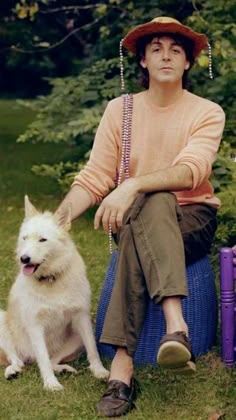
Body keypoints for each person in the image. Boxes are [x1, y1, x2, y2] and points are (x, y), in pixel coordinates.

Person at [58, 16, 225, 417]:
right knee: (145, 212)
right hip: (140, 222)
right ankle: (176, 329)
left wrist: (132, 185)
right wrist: (58, 219)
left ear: (187, 63)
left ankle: (121, 367)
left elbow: (191, 171)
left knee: (153, 199)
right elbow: (96, 175)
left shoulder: (207, 111)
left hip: (193, 217)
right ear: (143, 62)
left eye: (176, 50)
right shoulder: (122, 111)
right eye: (156, 49)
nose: (165, 56)